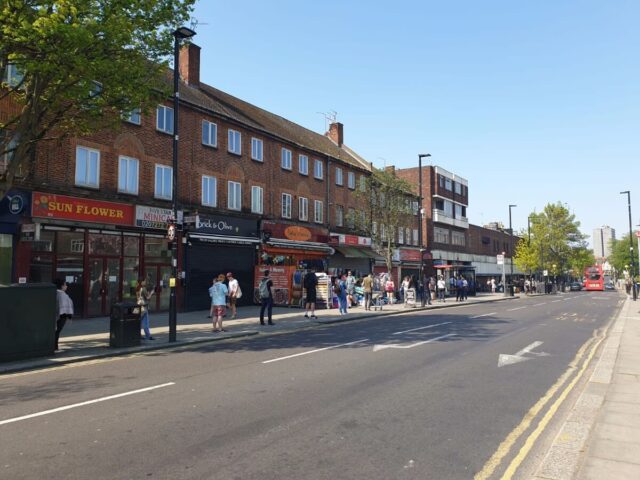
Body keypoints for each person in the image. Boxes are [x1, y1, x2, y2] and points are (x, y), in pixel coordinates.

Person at [54, 278, 74, 351]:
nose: (66, 286)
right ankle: (55, 346)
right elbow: (66, 307)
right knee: (57, 331)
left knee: (55, 331)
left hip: (55, 315)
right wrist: (69, 316)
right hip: (62, 316)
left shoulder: (54, 292)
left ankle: (55, 346)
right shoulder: (62, 295)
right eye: (65, 285)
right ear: (61, 286)